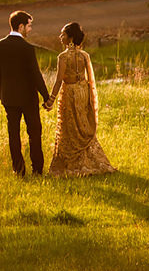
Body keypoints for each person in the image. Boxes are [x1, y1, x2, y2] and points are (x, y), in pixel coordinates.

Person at [47, 21, 117, 177]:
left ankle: (72, 163)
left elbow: (59, 80)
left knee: (70, 127)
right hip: (83, 91)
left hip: (70, 93)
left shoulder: (63, 57)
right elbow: (88, 78)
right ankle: (89, 160)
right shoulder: (85, 55)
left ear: (70, 38)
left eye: (63, 34)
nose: (60, 37)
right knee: (83, 124)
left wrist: (51, 99)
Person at [0, 10, 52, 177]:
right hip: (28, 99)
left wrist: (2, 95)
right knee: (34, 133)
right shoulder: (27, 48)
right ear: (21, 26)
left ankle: (18, 170)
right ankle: (37, 170)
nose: (30, 29)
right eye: (29, 26)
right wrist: (46, 97)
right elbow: (35, 74)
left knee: (14, 135)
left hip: (9, 98)